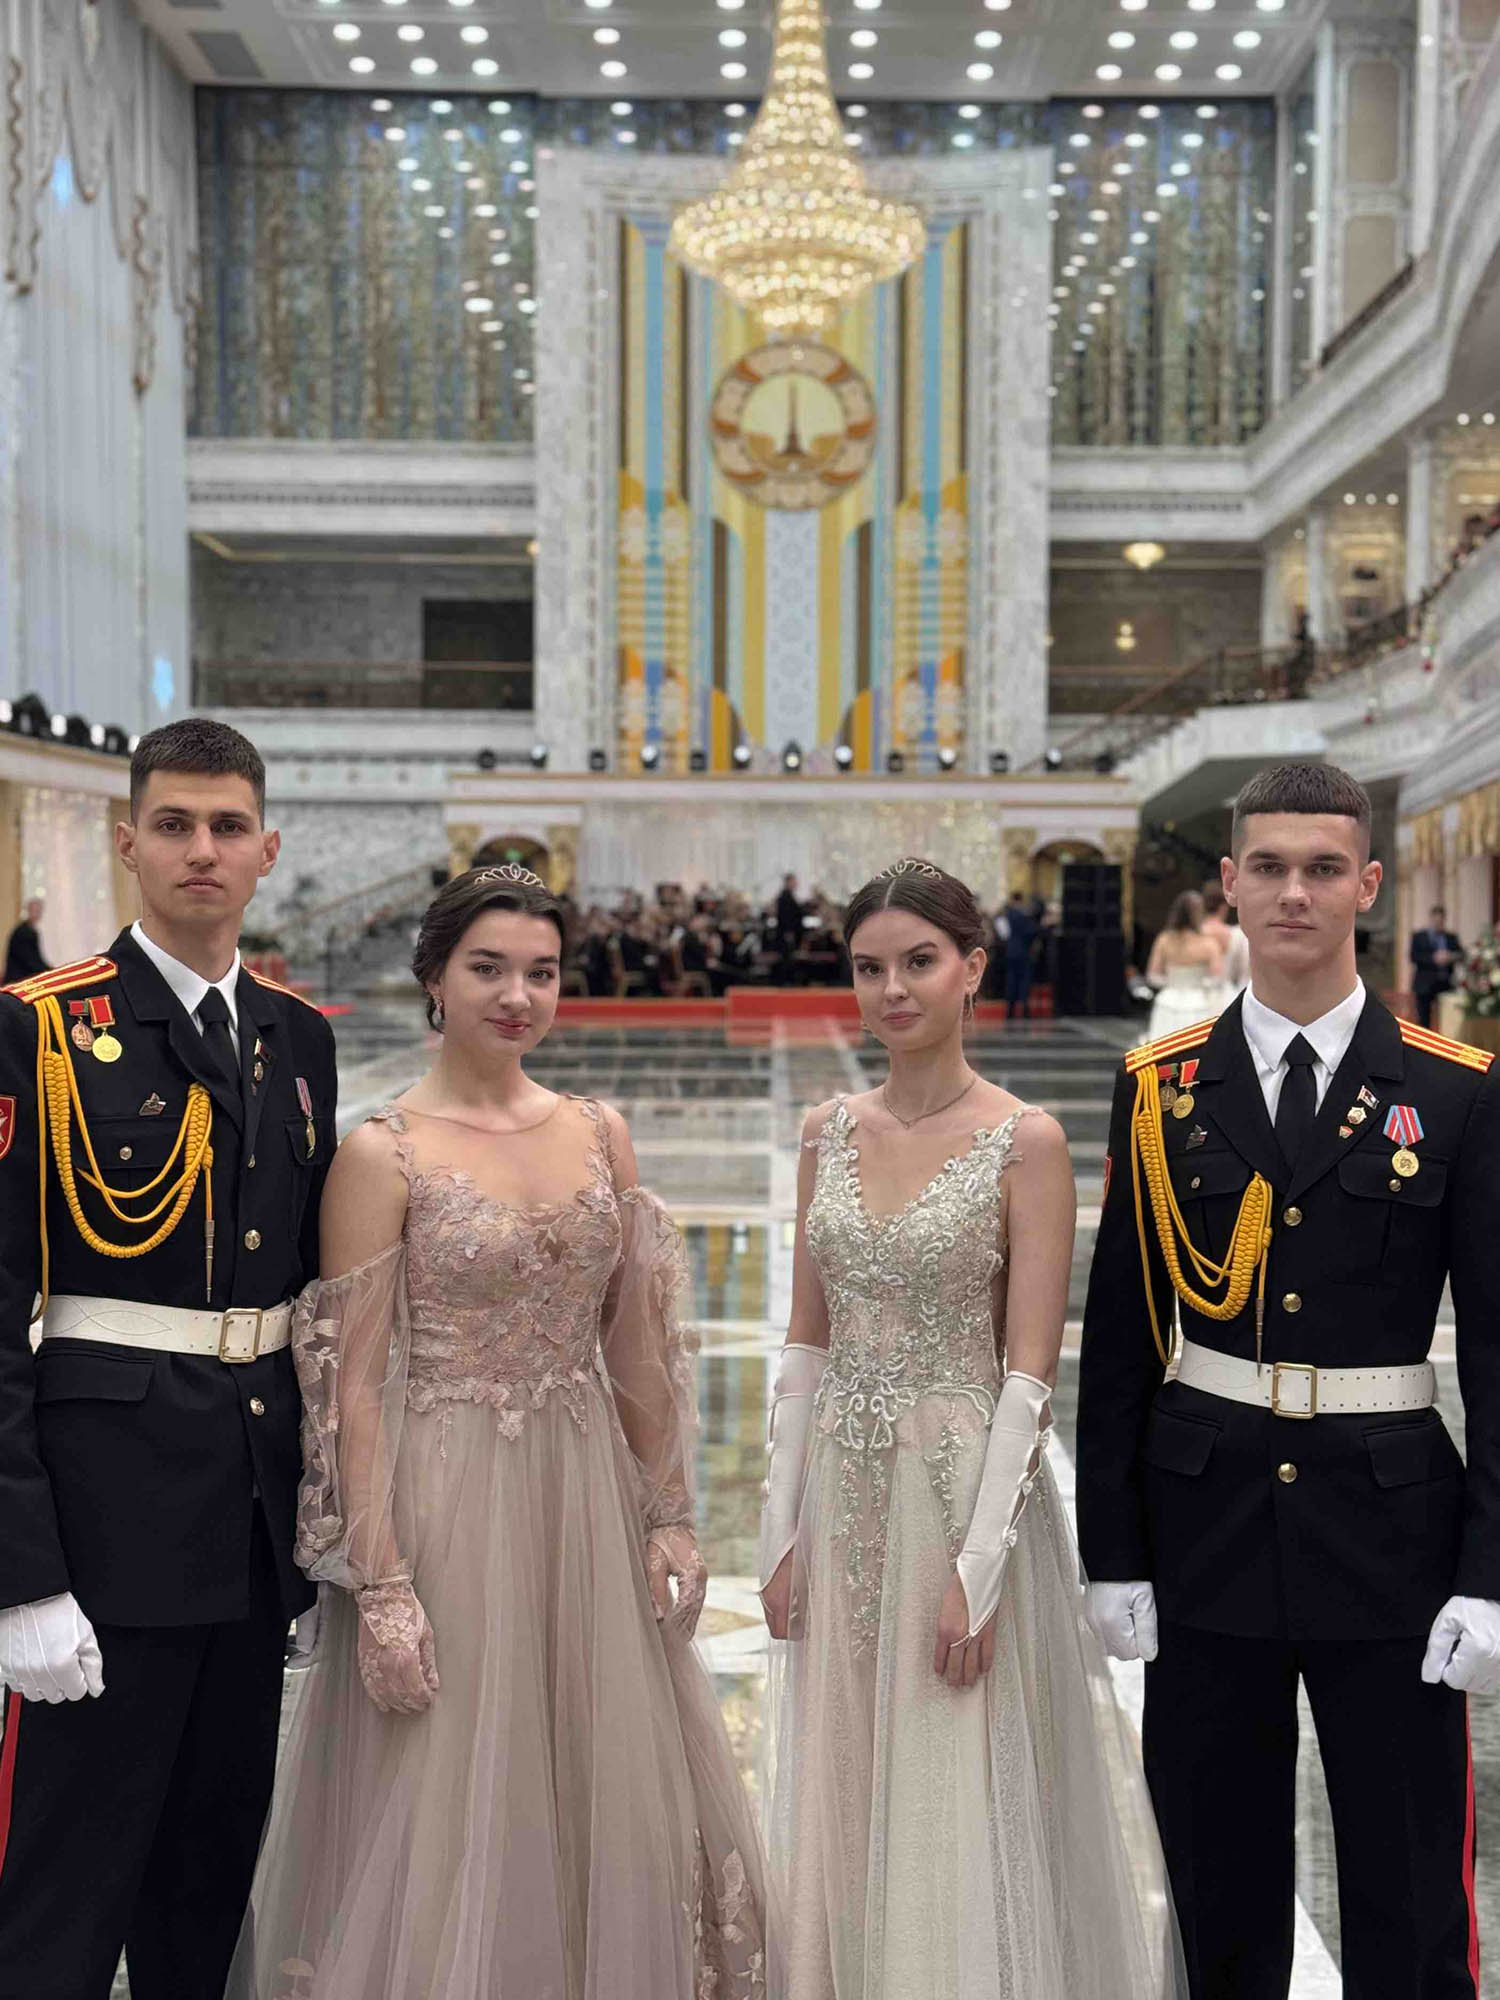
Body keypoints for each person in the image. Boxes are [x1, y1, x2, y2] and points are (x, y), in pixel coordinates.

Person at [237, 865, 767, 1997]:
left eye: (541, 971)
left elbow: (636, 1343)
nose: (518, 995)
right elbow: (353, 1386)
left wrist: (670, 1512)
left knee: (595, 1770)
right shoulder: (383, 1152)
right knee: (457, 1784)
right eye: (488, 968)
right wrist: (381, 1584)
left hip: (585, 1496)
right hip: (445, 1504)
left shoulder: (598, 1131)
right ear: (435, 978)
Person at [1077, 761, 1500, 1999]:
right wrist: (1114, 1551)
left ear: (1368, 883)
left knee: (1411, 1897)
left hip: (1396, 1535)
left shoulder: (1456, 1089)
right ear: (1229, 884)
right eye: (1268, 866)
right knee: (1218, 1892)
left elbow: (1496, 1350)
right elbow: (1122, 1337)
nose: (1294, 892)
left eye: (1322, 867)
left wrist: (1491, 1573)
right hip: (1205, 1529)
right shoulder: (1161, 1087)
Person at [759, 855, 1184, 2000]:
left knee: (951, 1781)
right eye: (869, 967)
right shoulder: (826, 1131)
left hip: (960, 1502)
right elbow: (804, 1342)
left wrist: (980, 1566)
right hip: (846, 1494)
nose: (892, 988)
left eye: (919, 960)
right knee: (848, 1775)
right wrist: (778, 1531)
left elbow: (1029, 1373)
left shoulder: (1024, 1140)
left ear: (972, 968)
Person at [0, 718, 336, 2000]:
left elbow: (310, 1302)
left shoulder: (296, 1037)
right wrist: (22, 1579)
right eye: (176, 823)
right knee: (60, 1899)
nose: (204, 848)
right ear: (125, 839)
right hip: (100, 1540)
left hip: (249, 1535)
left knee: (207, 1886)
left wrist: (322, 1531)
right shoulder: (39, 1027)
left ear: (267, 850)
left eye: (229, 825)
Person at [1144, 891, 1225, 1042]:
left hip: (1167, 1002)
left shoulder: (1164, 940)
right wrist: (1201, 985)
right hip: (1197, 1004)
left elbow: (1152, 976)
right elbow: (1217, 979)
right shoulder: (1208, 944)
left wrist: (1171, 983)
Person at [1410, 904, 1463, 1030]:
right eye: (1436, 920)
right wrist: (1433, 958)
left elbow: (1461, 954)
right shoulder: (1419, 937)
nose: (1438, 923)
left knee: (1448, 1018)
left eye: (1441, 921)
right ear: (1431, 919)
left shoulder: (1451, 937)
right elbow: (1414, 957)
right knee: (1424, 1020)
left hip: (1445, 983)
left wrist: (1450, 956)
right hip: (1425, 984)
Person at [1201, 881, 1250, 1002]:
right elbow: (1244, 969)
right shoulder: (1237, 934)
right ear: (1223, 907)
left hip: (1197, 997)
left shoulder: (1194, 934)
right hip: (1226, 995)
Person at [995, 888, 1039, 1019]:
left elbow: (1003, 934)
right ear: (1021, 900)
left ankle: (1010, 1010)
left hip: (1011, 951)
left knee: (1011, 980)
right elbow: (1032, 932)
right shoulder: (1025, 915)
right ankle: (1024, 1009)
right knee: (1024, 980)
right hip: (1024, 952)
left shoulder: (1006, 915)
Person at [2, 897, 48, 986]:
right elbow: (30, 961)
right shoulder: (23, 932)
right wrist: (48, 971)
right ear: (28, 910)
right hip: (18, 982)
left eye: (39, 910)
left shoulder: (29, 931)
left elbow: (35, 960)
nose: (37, 913)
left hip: (22, 979)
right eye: (35, 910)